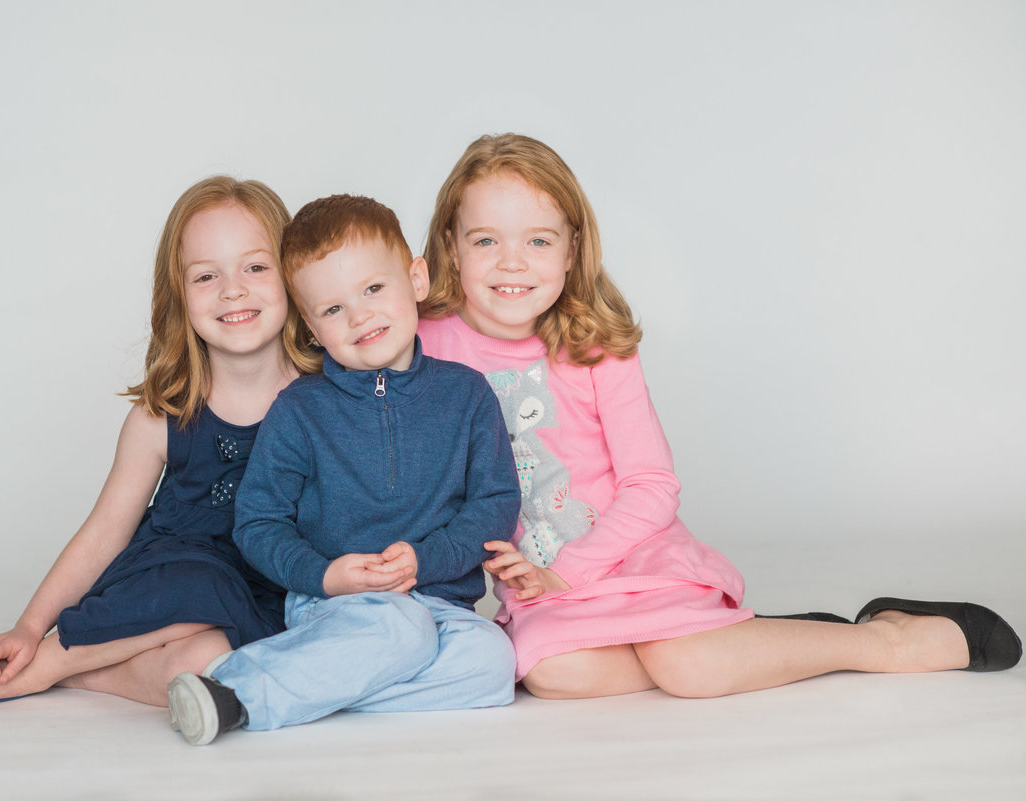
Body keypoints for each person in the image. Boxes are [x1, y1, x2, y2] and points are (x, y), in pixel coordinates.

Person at [416, 133, 1022, 700]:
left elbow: (652, 487)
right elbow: (340, 331)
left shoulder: (593, 346)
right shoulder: (425, 344)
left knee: (688, 669)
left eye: (539, 240)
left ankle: (881, 640)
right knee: (553, 674)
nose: (512, 263)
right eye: (486, 240)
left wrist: (571, 572)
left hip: (626, 553)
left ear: (573, 250)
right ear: (450, 245)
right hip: (536, 580)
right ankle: (746, 639)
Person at [0, 176, 317, 710]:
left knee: (207, 666)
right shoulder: (164, 414)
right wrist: (28, 624)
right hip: (167, 578)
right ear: (178, 295)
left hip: (269, 588)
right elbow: (105, 530)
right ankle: (41, 659)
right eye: (206, 275)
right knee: (200, 587)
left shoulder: (328, 397)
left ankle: (77, 673)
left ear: (293, 277)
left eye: (255, 267)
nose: (233, 290)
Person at [166, 194, 520, 745]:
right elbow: (258, 523)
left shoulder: (467, 395)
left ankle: (313, 688)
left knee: (493, 663)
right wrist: (325, 576)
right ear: (310, 326)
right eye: (332, 309)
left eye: (374, 289)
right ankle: (231, 693)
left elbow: (495, 505)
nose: (360, 316)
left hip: (439, 598)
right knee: (401, 631)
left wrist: (427, 560)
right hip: (335, 604)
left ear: (417, 279)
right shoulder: (300, 409)